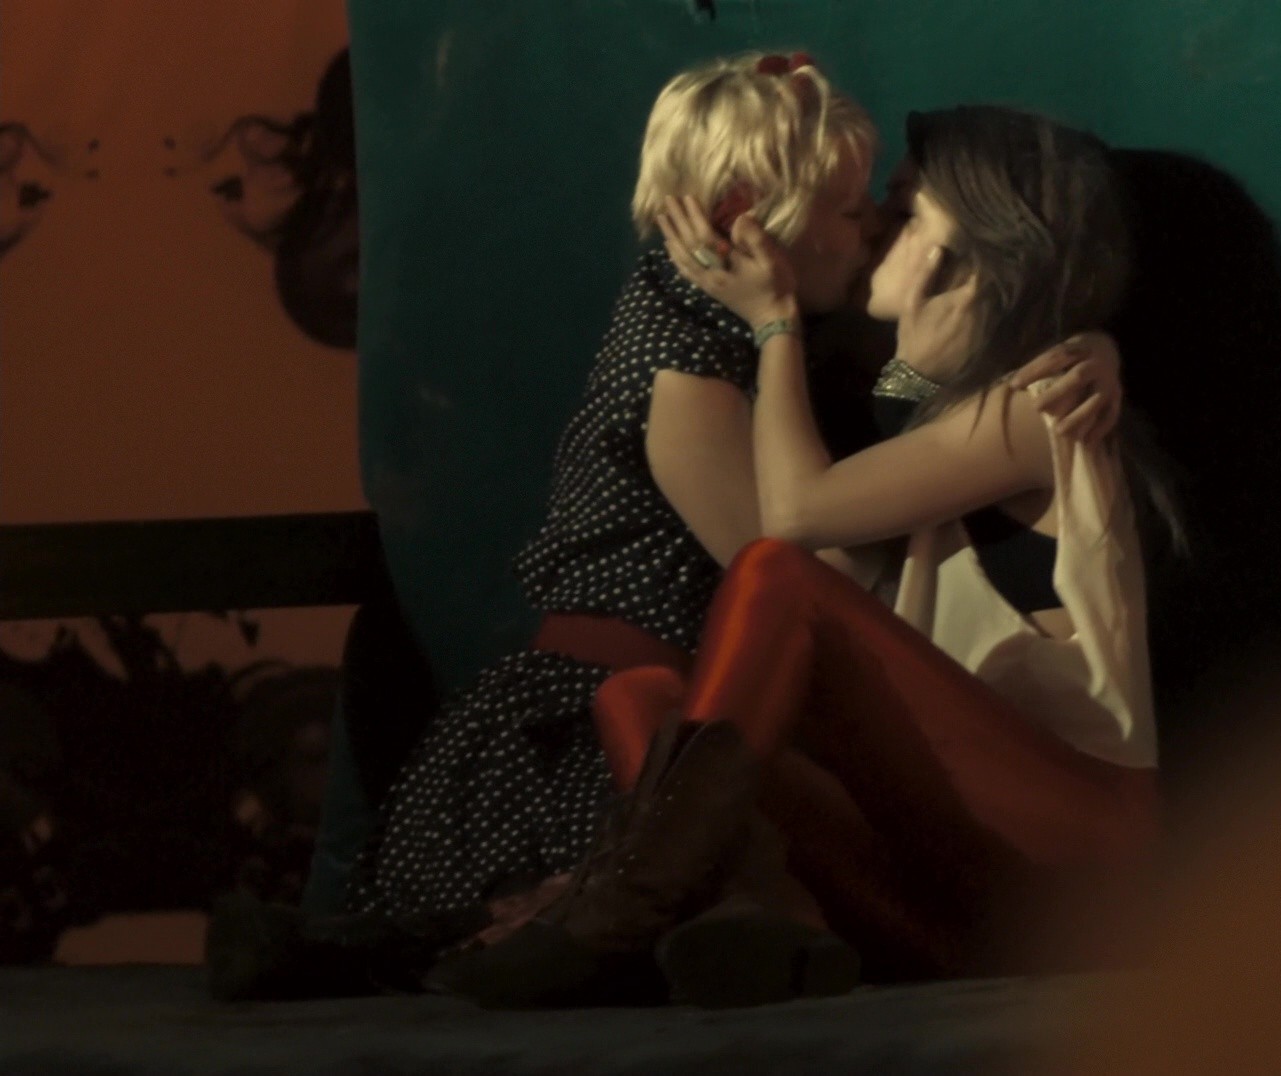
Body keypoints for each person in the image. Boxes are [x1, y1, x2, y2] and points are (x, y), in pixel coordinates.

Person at [206, 53, 1118, 1001]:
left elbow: (892, 460)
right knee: (593, 871)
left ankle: (335, 949)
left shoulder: (770, 342)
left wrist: (1085, 344)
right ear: (748, 222)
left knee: (617, 888)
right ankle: (331, 950)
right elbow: (790, 557)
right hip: (609, 710)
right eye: (853, 212)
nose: (873, 232)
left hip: (708, 715)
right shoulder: (688, 352)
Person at [429, 105, 1172, 1009]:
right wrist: (918, 345)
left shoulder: (1039, 404)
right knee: (638, 699)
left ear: (961, 253)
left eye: (903, 211)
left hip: (1075, 866)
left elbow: (792, 520)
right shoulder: (942, 415)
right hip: (956, 892)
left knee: (775, 576)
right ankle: (773, 929)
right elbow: (876, 484)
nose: (876, 229)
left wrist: (775, 324)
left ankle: (614, 914)